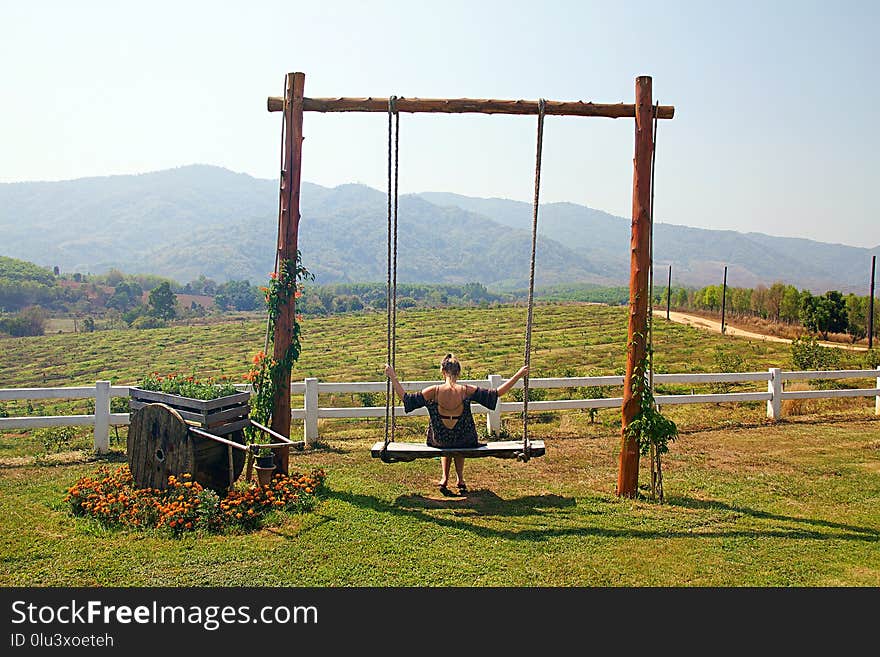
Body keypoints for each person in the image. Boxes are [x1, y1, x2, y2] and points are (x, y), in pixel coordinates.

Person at [384, 354, 528, 496]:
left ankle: (445, 478)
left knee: (448, 440)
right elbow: (496, 393)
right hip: (465, 440)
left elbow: (407, 399)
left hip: (440, 440)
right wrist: (518, 375)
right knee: (460, 435)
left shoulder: (433, 391)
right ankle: (460, 478)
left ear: (442, 371)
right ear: (458, 372)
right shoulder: (467, 390)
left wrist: (393, 376)